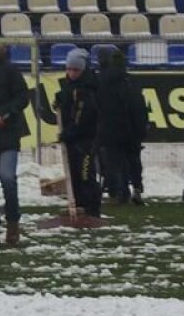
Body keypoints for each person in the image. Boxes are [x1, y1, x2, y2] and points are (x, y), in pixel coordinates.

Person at [0, 28, 29, 247]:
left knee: (7, 178)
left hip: (7, 136)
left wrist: (5, 115)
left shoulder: (8, 70)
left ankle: (12, 224)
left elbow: (22, 97)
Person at [95, 47, 146, 206]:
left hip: (110, 127)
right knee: (133, 160)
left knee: (113, 162)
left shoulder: (102, 81)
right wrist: (141, 126)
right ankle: (137, 187)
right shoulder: (130, 81)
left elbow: (98, 105)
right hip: (131, 127)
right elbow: (139, 105)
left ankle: (118, 192)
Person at [56, 48, 101, 218]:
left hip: (86, 140)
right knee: (74, 174)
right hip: (73, 139)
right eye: (69, 69)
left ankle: (92, 210)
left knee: (85, 174)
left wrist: (70, 133)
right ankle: (79, 205)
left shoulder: (88, 90)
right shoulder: (70, 87)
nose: (71, 73)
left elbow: (84, 117)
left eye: (75, 70)